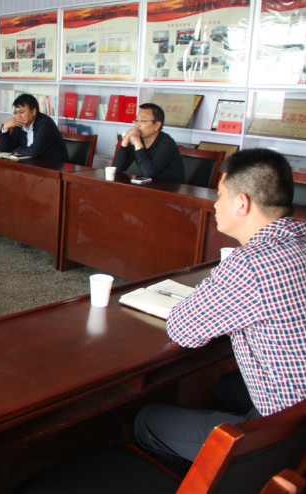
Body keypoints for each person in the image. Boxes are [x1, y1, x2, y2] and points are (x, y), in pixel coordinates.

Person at [134, 148, 306, 471]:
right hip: (299, 407)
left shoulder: (250, 264)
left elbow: (182, 329)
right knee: (226, 386)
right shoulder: (300, 236)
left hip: (284, 431)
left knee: (147, 420)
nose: (214, 204)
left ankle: (216, 479)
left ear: (242, 203)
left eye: (220, 195)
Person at [112, 102, 185, 183]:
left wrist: (138, 144)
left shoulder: (167, 144)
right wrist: (124, 143)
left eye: (143, 121)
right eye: (136, 120)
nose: (137, 125)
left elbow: (149, 173)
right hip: (148, 186)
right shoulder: (137, 139)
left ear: (157, 125)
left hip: (169, 188)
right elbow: (117, 169)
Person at [0, 93, 69, 163]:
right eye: (16, 112)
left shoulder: (45, 123)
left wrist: (17, 150)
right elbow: (5, 149)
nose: (18, 116)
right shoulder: (20, 124)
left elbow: (34, 151)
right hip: (32, 164)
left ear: (33, 111)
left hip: (54, 166)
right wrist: (5, 127)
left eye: (21, 111)